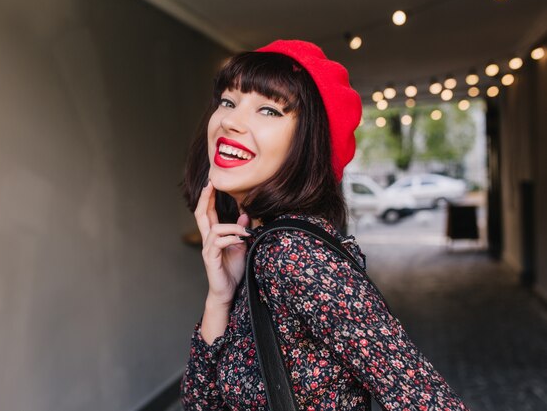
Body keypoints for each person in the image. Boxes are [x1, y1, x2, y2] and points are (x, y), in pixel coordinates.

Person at [179, 40, 468, 411]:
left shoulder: (294, 254)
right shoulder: (258, 248)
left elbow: (426, 399)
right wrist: (219, 297)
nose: (230, 121)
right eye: (228, 101)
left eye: (268, 110)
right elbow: (200, 405)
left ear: (307, 145)